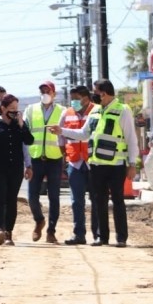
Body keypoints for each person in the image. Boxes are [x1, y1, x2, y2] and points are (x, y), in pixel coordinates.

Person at [49, 79, 139, 247]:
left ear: (104, 93)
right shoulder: (95, 111)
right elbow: (83, 134)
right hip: (96, 164)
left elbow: (131, 139)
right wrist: (62, 131)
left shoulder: (122, 110)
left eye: (95, 92)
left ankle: (121, 237)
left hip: (116, 164)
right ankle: (102, 237)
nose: (93, 95)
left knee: (118, 200)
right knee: (99, 201)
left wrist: (132, 164)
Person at [0, 94, 34, 246]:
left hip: (15, 168)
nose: (15, 111)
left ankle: (9, 232)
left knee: (11, 200)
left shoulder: (20, 125)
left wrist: (22, 125)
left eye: (16, 108)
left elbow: (29, 141)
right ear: (3, 108)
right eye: (11, 108)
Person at [24, 80, 65, 244]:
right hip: (35, 158)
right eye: (42, 92)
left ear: (54, 94)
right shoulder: (30, 109)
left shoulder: (62, 111)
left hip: (54, 158)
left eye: (48, 91)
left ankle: (51, 231)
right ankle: (39, 220)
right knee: (32, 196)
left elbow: (67, 133)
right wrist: (25, 161)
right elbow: (24, 132)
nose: (45, 94)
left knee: (54, 197)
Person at [61, 86, 101, 245]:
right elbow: (61, 136)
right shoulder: (67, 113)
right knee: (76, 201)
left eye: (76, 99)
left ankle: (98, 234)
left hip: (93, 162)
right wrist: (65, 155)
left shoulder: (97, 111)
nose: (74, 102)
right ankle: (79, 234)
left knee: (96, 200)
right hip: (75, 162)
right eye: (72, 99)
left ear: (86, 98)